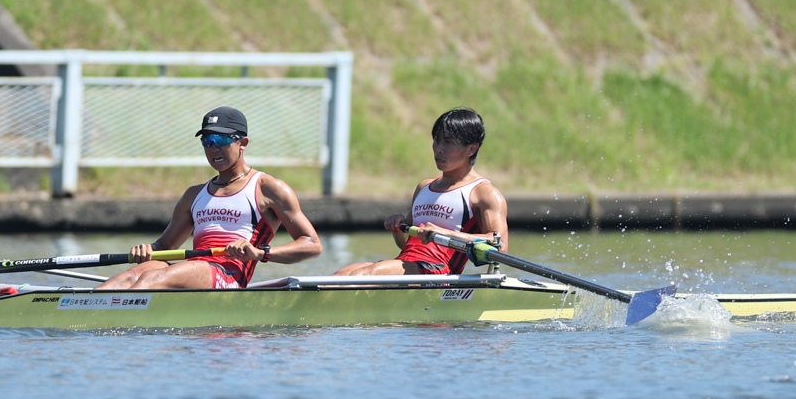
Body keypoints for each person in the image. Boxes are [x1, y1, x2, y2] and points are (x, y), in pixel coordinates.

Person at [97, 106, 324, 291]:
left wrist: (260, 253)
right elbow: (165, 246)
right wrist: (147, 249)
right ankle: (89, 308)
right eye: (207, 140)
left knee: (151, 279)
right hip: (196, 271)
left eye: (221, 139)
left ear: (243, 143)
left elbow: (312, 244)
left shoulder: (268, 188)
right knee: (130, 276)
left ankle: (121, 314)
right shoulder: (193, 195)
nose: (213, 148)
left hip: (229, 275)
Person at [337, 107, 506, 276]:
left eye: (448, 142)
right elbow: (405, 244)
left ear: (472, 149)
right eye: (437, 141)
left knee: (362, 275)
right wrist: (399, 228)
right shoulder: (424, 187)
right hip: (409, 264)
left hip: (439, 271)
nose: (439, 149)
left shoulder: (484, 193)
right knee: (341, 275)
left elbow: (500, 246)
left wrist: (445, 233)